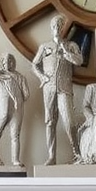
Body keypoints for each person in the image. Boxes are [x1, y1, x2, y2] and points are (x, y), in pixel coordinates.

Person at [31, 14, 82, 164]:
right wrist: (42, 77)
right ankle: (52, 156)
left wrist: (65, 52)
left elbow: (79, 61)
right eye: (55, 26)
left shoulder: (71, 45)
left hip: (64, 87)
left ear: (63, 28)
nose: (57, 29)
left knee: (69, 120)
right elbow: (34, 64)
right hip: (49, 88)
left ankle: (77, 152)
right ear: (51, 28)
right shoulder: (45, 46)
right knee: (50, 121)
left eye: (60, 26)